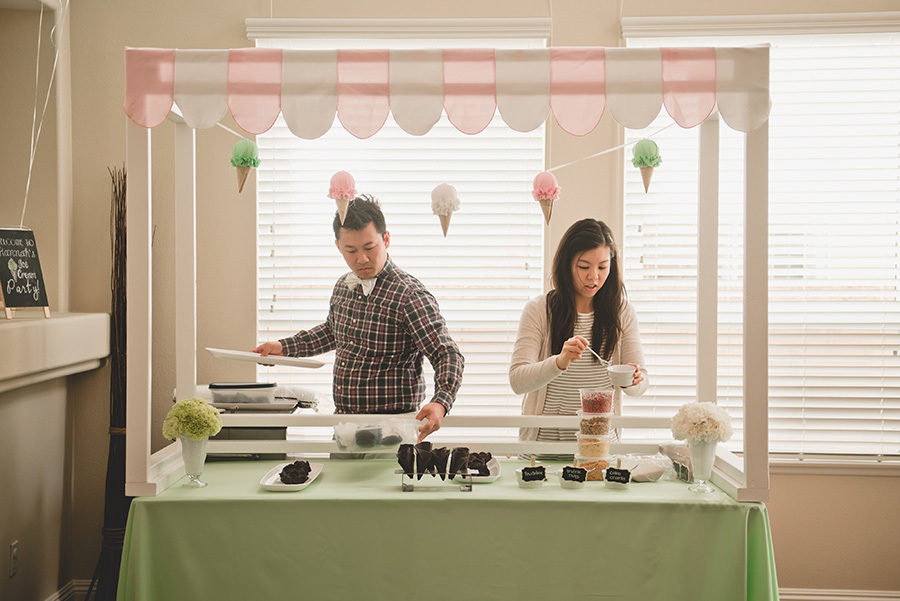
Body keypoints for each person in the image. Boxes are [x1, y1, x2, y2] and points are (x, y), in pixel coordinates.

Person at [253, 195, 464, 442]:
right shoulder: (343, 286)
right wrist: (282, 347)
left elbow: (447, 353)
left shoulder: (409, 295)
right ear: (338, 246)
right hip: (345, 425)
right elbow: (332, 332)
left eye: (369, 247)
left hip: (393, 429)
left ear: (386, 239)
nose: (361, 259)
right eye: (351, 250)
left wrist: (441, 402)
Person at [509, 218, 648, 444]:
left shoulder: (622, 313)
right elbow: (517, 381)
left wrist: (632, 381)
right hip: (543, 447)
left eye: (602, 267)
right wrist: (559, 362)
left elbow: (640, 385)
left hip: (601, 446)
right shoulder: (539, 310)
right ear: (567, 264)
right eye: (584, 267)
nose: (594, 276)